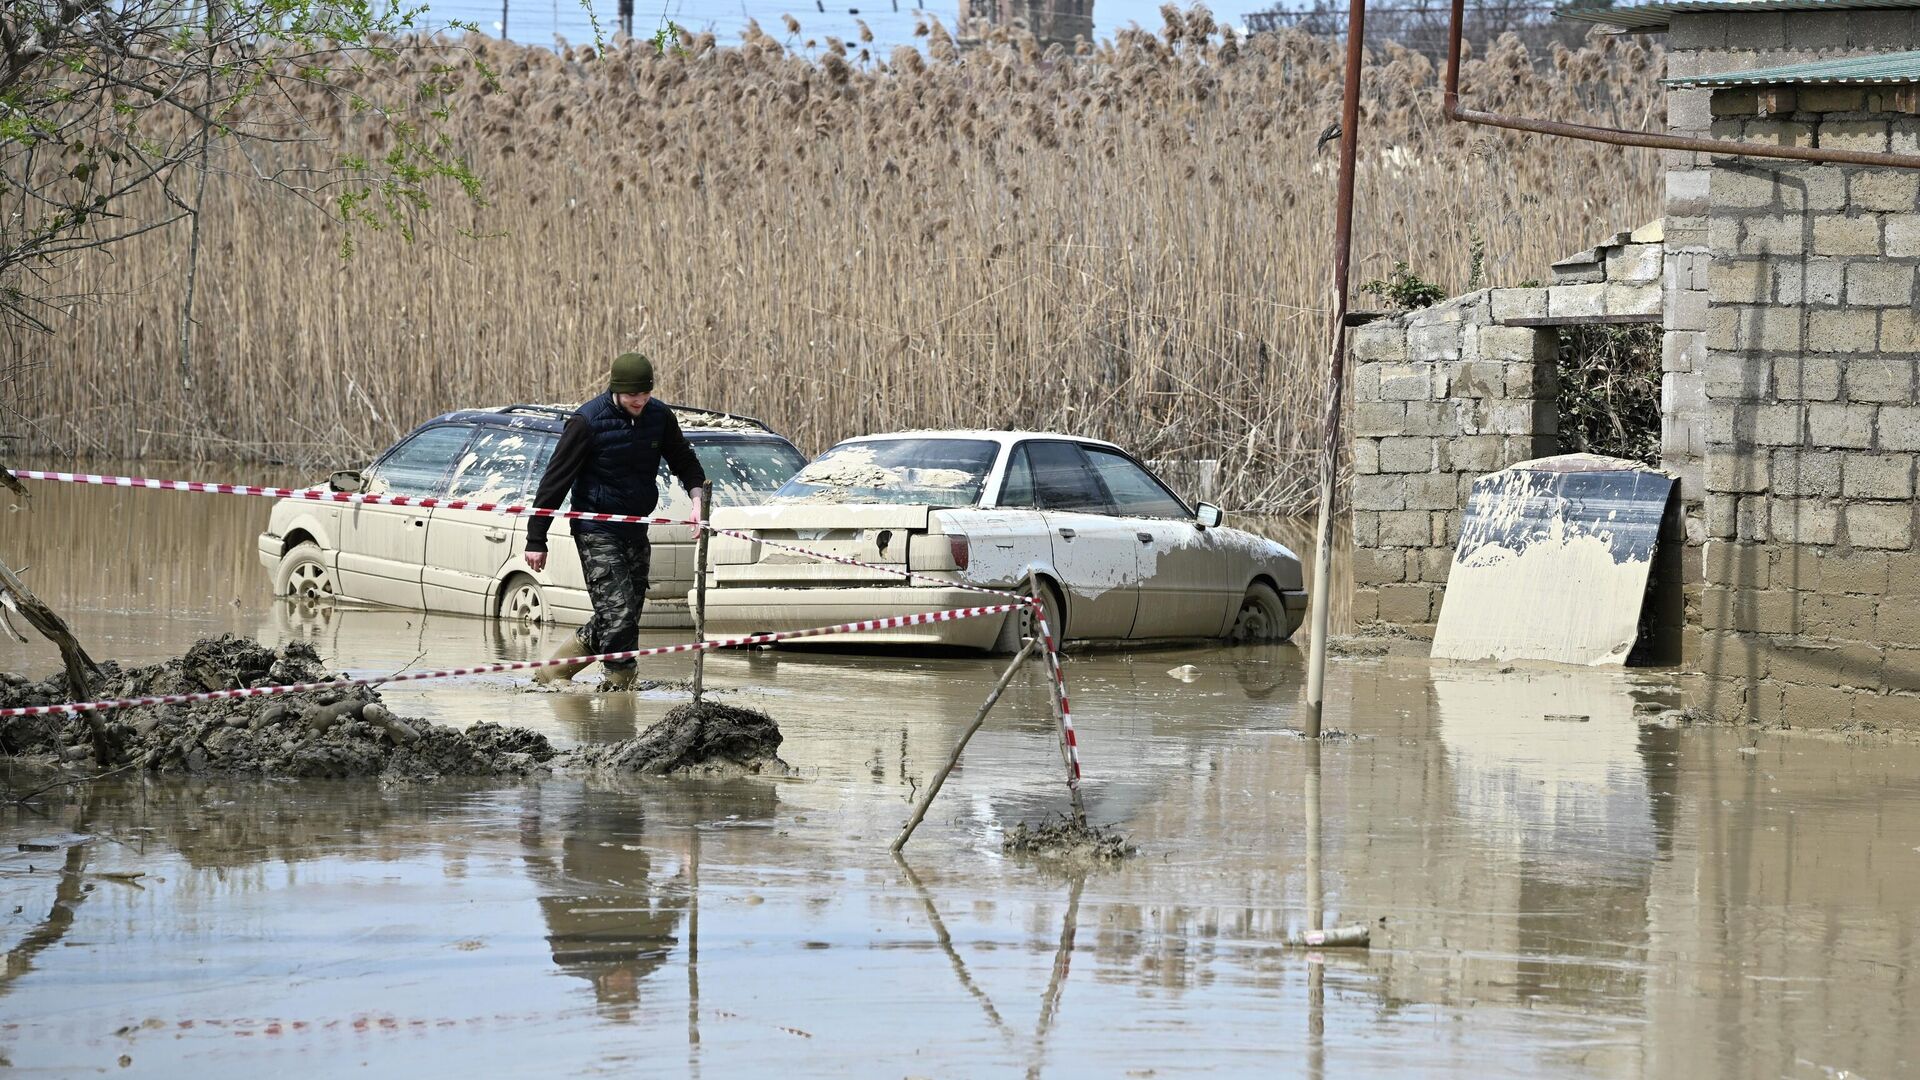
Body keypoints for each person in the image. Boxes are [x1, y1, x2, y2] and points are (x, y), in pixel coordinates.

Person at [525, 352, 706, 689]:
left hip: (635, 527)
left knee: (623, 615)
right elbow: (555, 481)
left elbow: (684, 460)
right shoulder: (587, 422)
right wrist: (537, 538)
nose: (640, 401)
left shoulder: (659, 416)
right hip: (596, 529)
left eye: (645, 394)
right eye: (632, 395)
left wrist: (697, 501)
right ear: (616, 390)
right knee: (619, 614)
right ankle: (619, 690)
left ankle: (552, 673)